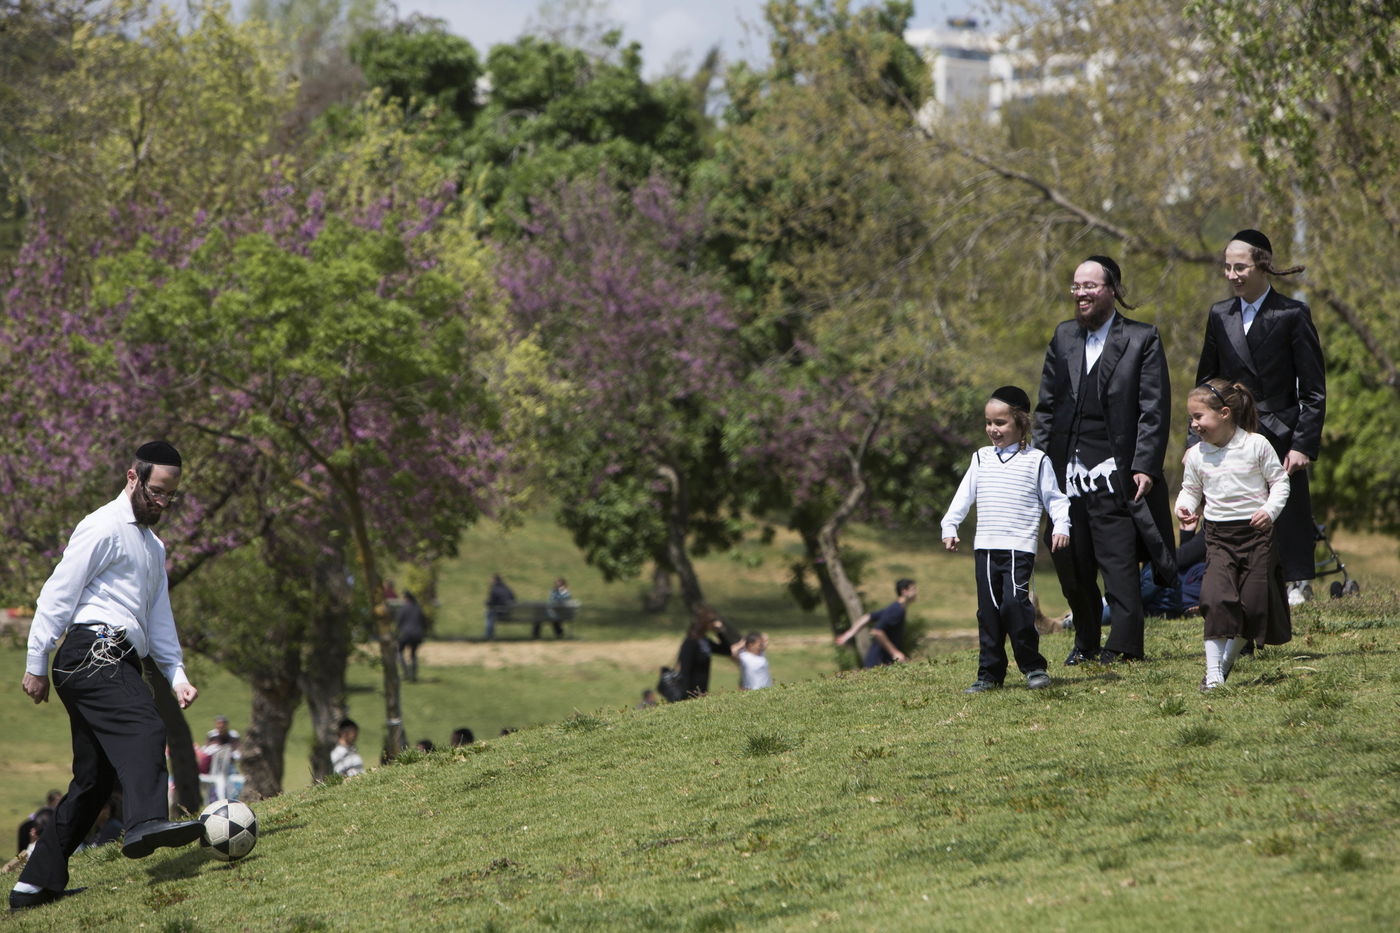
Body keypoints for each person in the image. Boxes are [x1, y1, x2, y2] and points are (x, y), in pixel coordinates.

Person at [11, 441, 205, 912]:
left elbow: (158, 618)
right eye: (156, 492)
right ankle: (143, 824)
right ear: (132, 477)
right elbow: (59, 591)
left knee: (94, 780)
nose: (162, 503)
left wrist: (176, 672)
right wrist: (36, 661)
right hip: (91, 651)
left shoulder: (152, 547)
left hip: (114, 657)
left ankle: (34, 886)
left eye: (171, 497)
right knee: (144, 725)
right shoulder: (102, 526)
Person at [1033, 256, 1175, 665]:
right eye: (1076, 286)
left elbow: (1154, 408)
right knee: (1071, 564)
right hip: (1067, 475)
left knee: (1118, 565)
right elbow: (1046, 409)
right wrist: (1042, 469)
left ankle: (1126, 646)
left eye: (1090, 286)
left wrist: (1144, 465)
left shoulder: (1141, 338)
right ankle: (1087, 642)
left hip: (1118, 472)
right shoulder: (1063, 337)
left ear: (1112, 289)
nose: (1081, 293)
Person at [1193, 229, 1325, 607]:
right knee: (1236, 505)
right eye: (1227, 267)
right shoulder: (1219, 315)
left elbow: (1313, 388)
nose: (1232, 274)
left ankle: (1297, 580)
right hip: (1233, 429)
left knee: (1289, 503)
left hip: (1282, 427)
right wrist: (1198, 435)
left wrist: (1303, 443)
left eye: (1240, 267)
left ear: (1262, 266)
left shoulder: (1292, 313)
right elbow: (1207, 381)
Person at [942, 386, 1072, 693]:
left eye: (1000, 423)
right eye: (988, 422)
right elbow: (963, 497)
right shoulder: (981, 458)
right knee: (988, 612)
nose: (992, 429)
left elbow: (1056, 500)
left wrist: (1061, 526)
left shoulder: (1037, 461)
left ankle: (1033, 667)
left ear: (1021, 424)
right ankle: (989, 674)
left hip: (1018, 549)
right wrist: (950, 525)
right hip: (985, 548)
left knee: (1016, 607)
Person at [1177, 380, 1292, 689]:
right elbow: (1191, 490)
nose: (1194, 424)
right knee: (1215, 599)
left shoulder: (1256, 445)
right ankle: (1213, 675)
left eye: (1199, 417)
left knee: (1253, 606)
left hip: (1256, 536)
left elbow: (1280, 482)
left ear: (1224, 413)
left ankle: (1224, 665)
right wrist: (1185, 507)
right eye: (1192, 418)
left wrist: (1269, 511)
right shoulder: (1198, 455)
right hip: (1218, 538)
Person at [834, 579, 918, 667]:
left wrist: (849, 634)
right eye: (913, 589)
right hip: (878, 662)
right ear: (904, 591)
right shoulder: (897, 610)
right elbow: (877, 631)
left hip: (878, 661)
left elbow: (868, 617)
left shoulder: (895, 608)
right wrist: (895, 653)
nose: (916, 592)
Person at [677, 604, 733, 698]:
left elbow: (727, 650)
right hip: (691, 692)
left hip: (702, 690)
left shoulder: (704, 641)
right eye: (711, 621)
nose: (714, 623)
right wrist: (686, 695)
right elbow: (685, 670)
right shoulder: (691, 642)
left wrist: (719, 632)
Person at [395, 590, 428, 682]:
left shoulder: (404, 608)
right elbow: (424, 622)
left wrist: (396, 632)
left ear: (406, 598)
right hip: (418, 634)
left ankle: (406, 673)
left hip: (406, 634)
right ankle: (413, 675)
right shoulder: (418, 608)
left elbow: (398, 622)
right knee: (413, 654)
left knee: (399, 652)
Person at [483, 574, 515, 641]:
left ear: (494, 580)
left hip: (500, 613)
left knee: (489, 613)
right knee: (491, 612)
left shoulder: (494, 589)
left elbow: (491, 602)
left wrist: (487, 603)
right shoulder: (507, 588)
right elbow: (513, 599)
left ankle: (488, 635)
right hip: (509, 613)